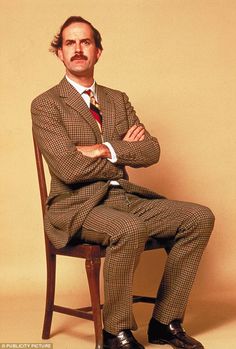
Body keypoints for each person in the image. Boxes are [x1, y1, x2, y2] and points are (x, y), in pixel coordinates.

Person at [31, 16, 215, 349]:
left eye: (85, 42)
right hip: (78, 206)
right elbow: (68, 169)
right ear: (59, 52)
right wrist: (122, 154)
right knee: (128, 228)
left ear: (98, 51)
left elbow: (151, 149)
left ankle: (164, 322)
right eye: (69, 43)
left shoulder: (117, 99)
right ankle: (114, 332)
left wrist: (104, 148)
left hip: (125, 197)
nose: (77, 49)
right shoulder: (46, 104)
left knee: (199, 217)